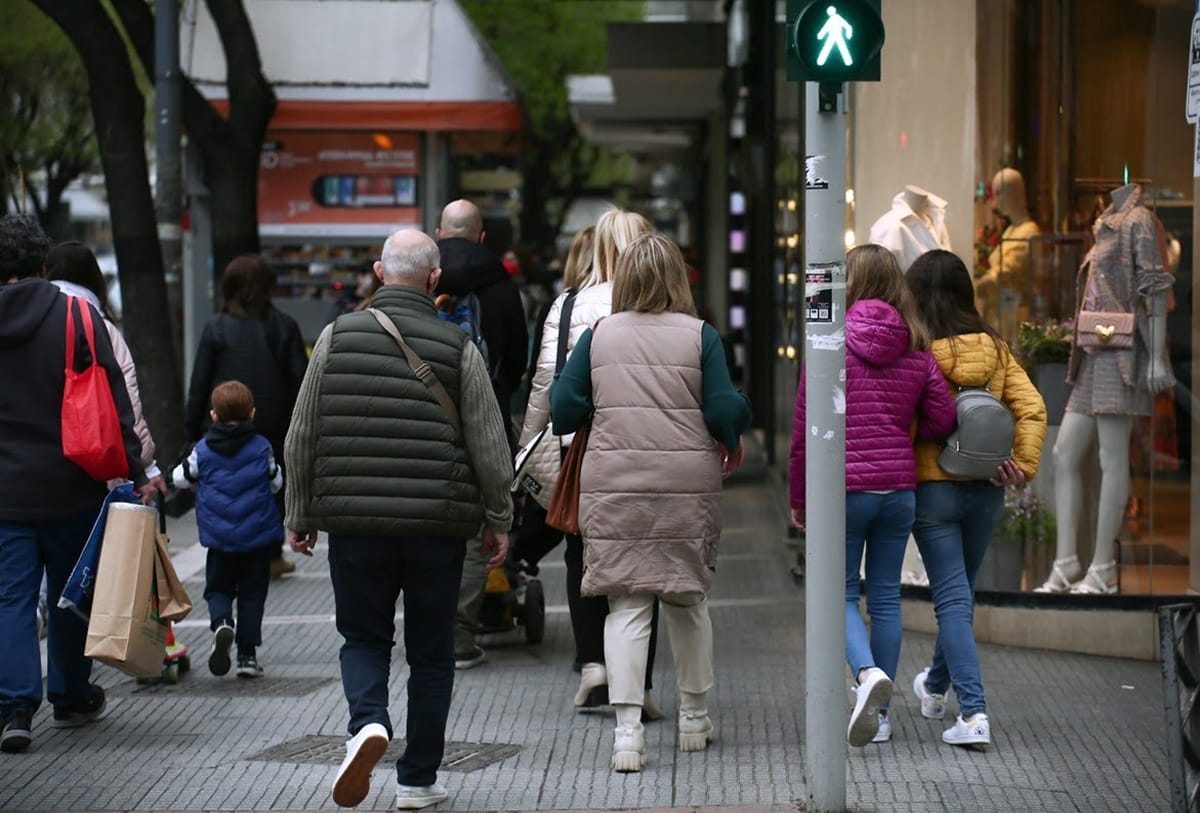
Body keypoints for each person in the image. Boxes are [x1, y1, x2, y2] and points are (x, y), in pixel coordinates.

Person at [284, 229, 514, 811]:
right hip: (438, 526)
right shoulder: (458, 346)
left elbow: (301, 434)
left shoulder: (335, 337)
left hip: (356, 524)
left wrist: (300, 512)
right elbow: (490, 445)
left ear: (379, 273)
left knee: (363, 635)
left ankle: (367, 722)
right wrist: (498, 517)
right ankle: (417, 780)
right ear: (435, 280)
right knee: (432, 652)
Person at [550, 233, 751, 772]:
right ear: (678, 280)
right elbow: (724, 411)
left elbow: (563, 409)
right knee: (688, 601)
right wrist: (739, 418)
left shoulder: (599, 335)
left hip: (616, 482)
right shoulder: (700, 335)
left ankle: (627, 734)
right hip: (687, 481)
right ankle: (693, 719)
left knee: (628, 605)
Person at [0, 213, 164, 754]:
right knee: (71, 594)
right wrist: (141, 472)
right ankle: (69, 692)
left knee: (11, 598)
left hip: (5, 492)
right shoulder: (76, 314)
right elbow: (115, 398)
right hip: (72, 482)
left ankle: (15, 707)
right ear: (43, 265)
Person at [789, 244, 957, 748]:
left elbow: (803, 431)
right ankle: (880, 717)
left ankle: (865, 676)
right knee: (884, 597)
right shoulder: (917, 349)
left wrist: (799, 500)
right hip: (898, 491)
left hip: (844, 493)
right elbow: (944, 420)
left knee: (838, 592)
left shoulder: (828, 346)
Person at [518, 208, 661, 713]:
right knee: (645, 564)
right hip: (646, 449)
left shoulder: (568, 302)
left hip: (580, 450)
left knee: (580, 553)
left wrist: (527, 444)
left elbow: (545, 382)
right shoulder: (658, 304)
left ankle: (593, 663)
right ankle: (638, 683)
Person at [906, 249, 1047, 747]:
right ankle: (935, 686)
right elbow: (1031, 408)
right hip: (988, 486)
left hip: (933, 489)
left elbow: (907, 420)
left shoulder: (917, 350)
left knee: (951, 598)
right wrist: (1023, 466)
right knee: (960, 594)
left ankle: (974, 712)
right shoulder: (996, 349)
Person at [1038, 183, 1174, 594]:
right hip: (1093, 355)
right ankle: (1067, 562)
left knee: (1112, 456)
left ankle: (1102, 568)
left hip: (1123, 354)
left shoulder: (1139, 222)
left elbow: (1155, 287)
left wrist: (1155, 358)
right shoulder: (1105, 225)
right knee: (1065, 453)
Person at [434, 199, 528, 670]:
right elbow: (517, 361)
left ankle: (422, 630)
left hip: (421, 424)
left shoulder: (417, 279)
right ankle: (460, 635)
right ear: (482, 237)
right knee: (476, 531)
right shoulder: (502, 288)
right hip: (484, 421)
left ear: (438, 232)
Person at [185, 254, 308, 579]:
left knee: (225, 490)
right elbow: (301, 382)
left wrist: (192, 429)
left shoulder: (216, 328)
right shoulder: (284, 326)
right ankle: (269, 553)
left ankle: (226, 553)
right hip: (273, 428)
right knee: (270, 488)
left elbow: (198, 386)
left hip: (222, 425)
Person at [172, 381, 284, 679]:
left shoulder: (203, 449)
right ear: (252, 413)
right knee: (252, 595)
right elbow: (276, 483)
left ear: (214, 415)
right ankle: (247, 656)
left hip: (220, 540)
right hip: (256, 539)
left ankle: (222, 622)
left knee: (218, 588)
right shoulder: (262, 447)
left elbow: (181, 479)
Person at [44, 242, 159, 481]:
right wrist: (145, 464)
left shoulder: (34, 319)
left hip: (34, 466)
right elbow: (128, 397)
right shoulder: (100, 327)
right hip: (93, 463)